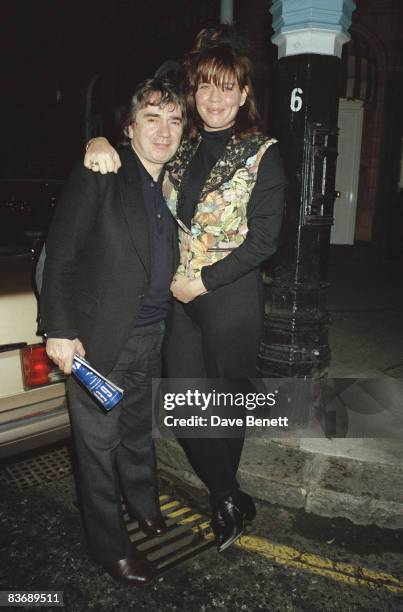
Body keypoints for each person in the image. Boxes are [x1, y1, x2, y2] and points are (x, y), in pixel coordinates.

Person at [84, 27, 287, 552]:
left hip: (230, 297)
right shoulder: (183, 146)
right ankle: (230, 496)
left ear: (244, 94)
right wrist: (98, 139)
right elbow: (137, 163)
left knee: (224, 406)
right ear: (193, 93)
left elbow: (265, 239)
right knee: (183, 402)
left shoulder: (262, 153)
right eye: (204, 88)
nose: (214, 98)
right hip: (182, 299)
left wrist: (205, 281)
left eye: (227, 88)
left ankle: (224, 499)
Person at [40, 78, 185, 585]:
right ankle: (109, 546)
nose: (164, 130)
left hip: (151, 335)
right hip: (98, 339)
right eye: (152, 118)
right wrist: (58, 328)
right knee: (98, 449)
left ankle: (144, 504)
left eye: (174, 120)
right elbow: (58, 256)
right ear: (130, 128)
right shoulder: (102, 172)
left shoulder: (172, 184)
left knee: (138, 433)